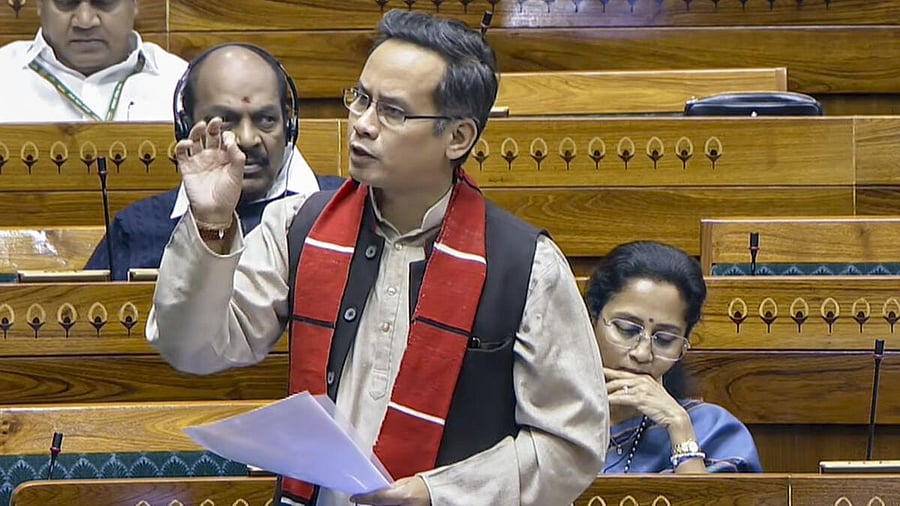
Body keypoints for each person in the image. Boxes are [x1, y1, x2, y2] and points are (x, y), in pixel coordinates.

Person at [147, 10, 607, 506]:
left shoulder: (525, 266)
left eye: (392, 111)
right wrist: (213, 223)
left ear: (458, 137)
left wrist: (438, 494)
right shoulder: (299, 227)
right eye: (361, 99)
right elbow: (192, 349)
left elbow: (570, 443)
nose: (362, 125)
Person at [85, 44, 337, 280]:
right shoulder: (135, 229)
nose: (248, 139)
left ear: (289, 126)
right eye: (224, 120)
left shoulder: (345, 209)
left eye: (266, 119)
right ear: (186, 128)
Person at [584, 241, 763, 474]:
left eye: (664, 339)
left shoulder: (712, 429)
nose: (642, 353)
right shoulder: (545, 416)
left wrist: (679, 427)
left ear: (683, 347)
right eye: (627, 330)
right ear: (591, 321)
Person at [0, 0, 186, 122]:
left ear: (135, 3)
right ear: (40, 4)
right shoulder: (5, 73)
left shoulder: (180, 86)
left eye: (104, 2)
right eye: (66, 2)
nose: (85, 21)